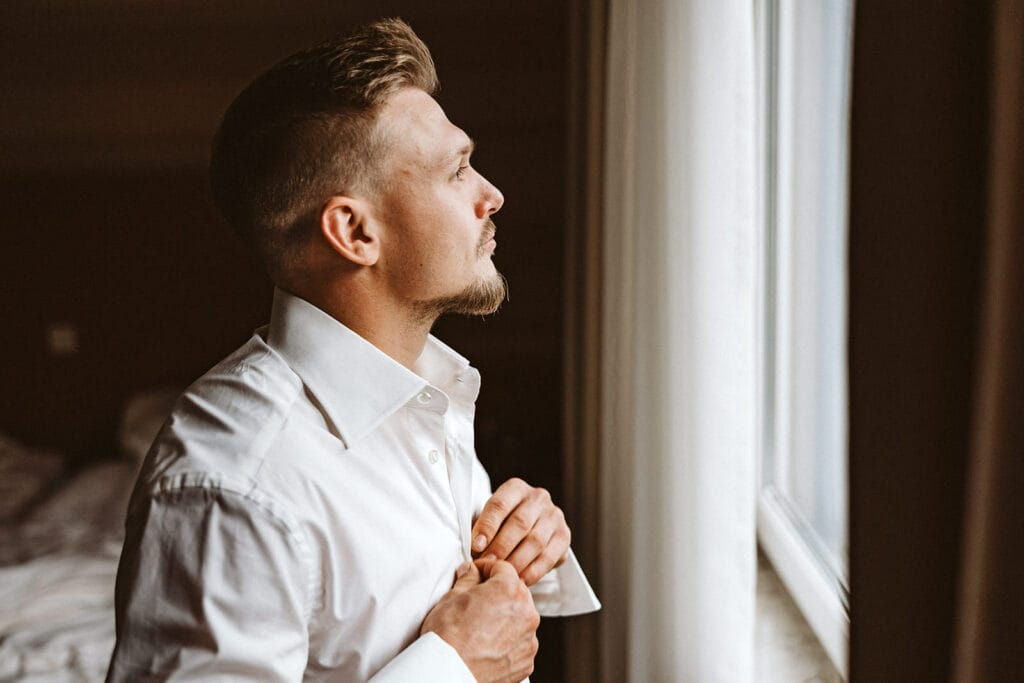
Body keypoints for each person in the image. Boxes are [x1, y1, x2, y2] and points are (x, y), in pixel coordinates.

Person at [105, 17, 599, 683]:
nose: (492, 195)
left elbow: (446, 610)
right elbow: (455, 652)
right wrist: (451, 667)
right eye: (457, 171)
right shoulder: (233, 482)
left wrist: (522, 549)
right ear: (354, 230)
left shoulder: (427, 392)